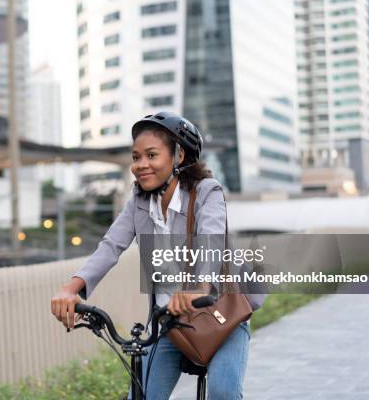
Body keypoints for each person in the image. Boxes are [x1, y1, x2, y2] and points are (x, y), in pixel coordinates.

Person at [51, 111, 260, 399]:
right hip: (170, 322)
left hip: (223, 315)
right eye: (136, 157)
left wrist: (198, 288)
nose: (140, 165)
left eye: (151, 155)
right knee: (142, 395)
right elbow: (111, 245)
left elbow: (211, 240)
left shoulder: (206, 192)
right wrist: (70, 288)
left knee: (223, 393)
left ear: (179, 156)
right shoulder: (138, 202)